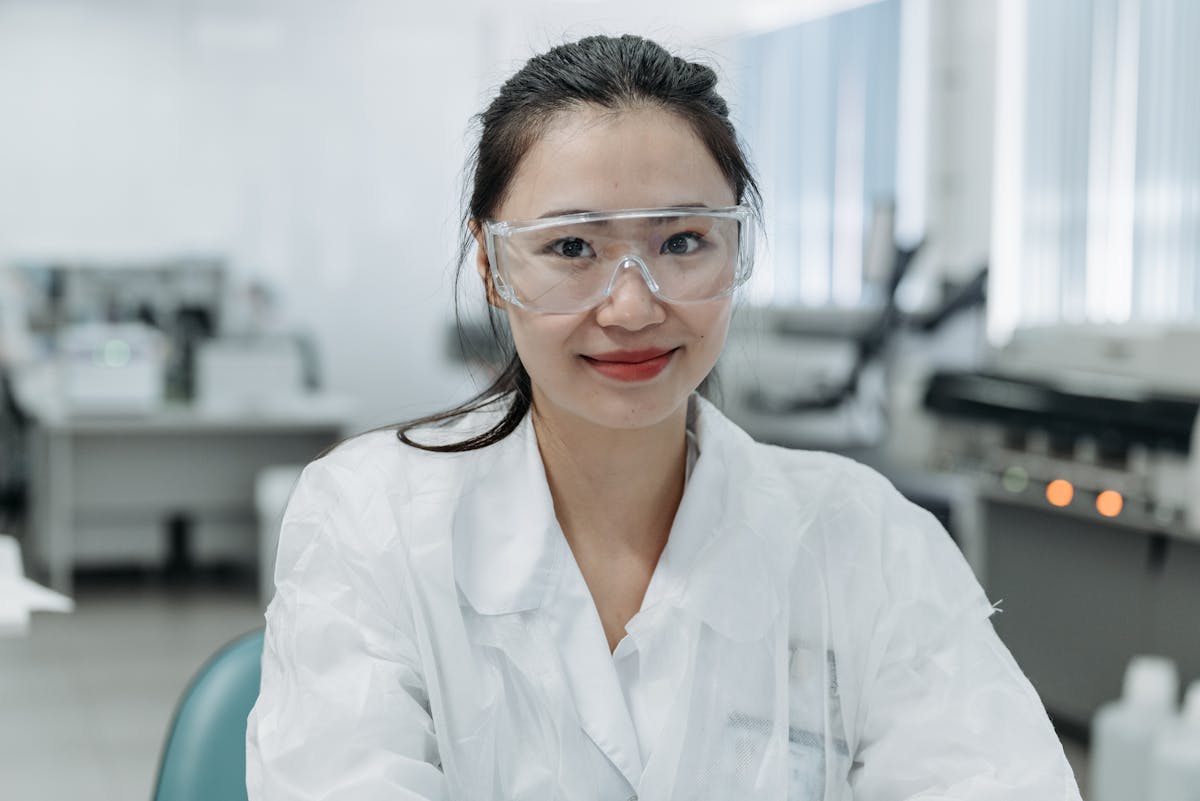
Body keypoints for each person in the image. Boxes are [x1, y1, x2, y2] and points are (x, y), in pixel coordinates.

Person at [246, 34, 1083, 801]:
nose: (633, 305)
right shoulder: (372, 521)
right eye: (573, 247)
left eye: (682, 241)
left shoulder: (866, 543)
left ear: (735, 249)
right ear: (494, 268)